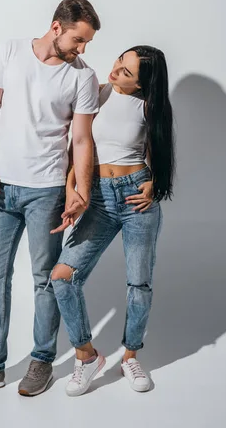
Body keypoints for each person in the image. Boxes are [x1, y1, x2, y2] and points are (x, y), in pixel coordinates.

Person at [0, 0, 101, 396]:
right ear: (56, 27)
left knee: (44, 280)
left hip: (46, 191)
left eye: (86, 43)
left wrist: (79, 189)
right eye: (79, 40)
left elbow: (81, 139)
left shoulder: (82, 77)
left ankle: (41, 363)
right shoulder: (9, 51)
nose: (82, 50)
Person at [50, 45, 175, 396]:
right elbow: (79, 145)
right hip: (99, 199)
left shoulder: (148, 107)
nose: (116, 71)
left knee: (138, 284)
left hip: (136, 199)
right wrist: (73, 186)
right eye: (119, 62)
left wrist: (153, 184)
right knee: (62, 277)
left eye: (127, 72)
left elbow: (159, 151)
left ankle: (131, 356)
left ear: (141, 85)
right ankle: (86, 356)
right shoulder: (95, 92)